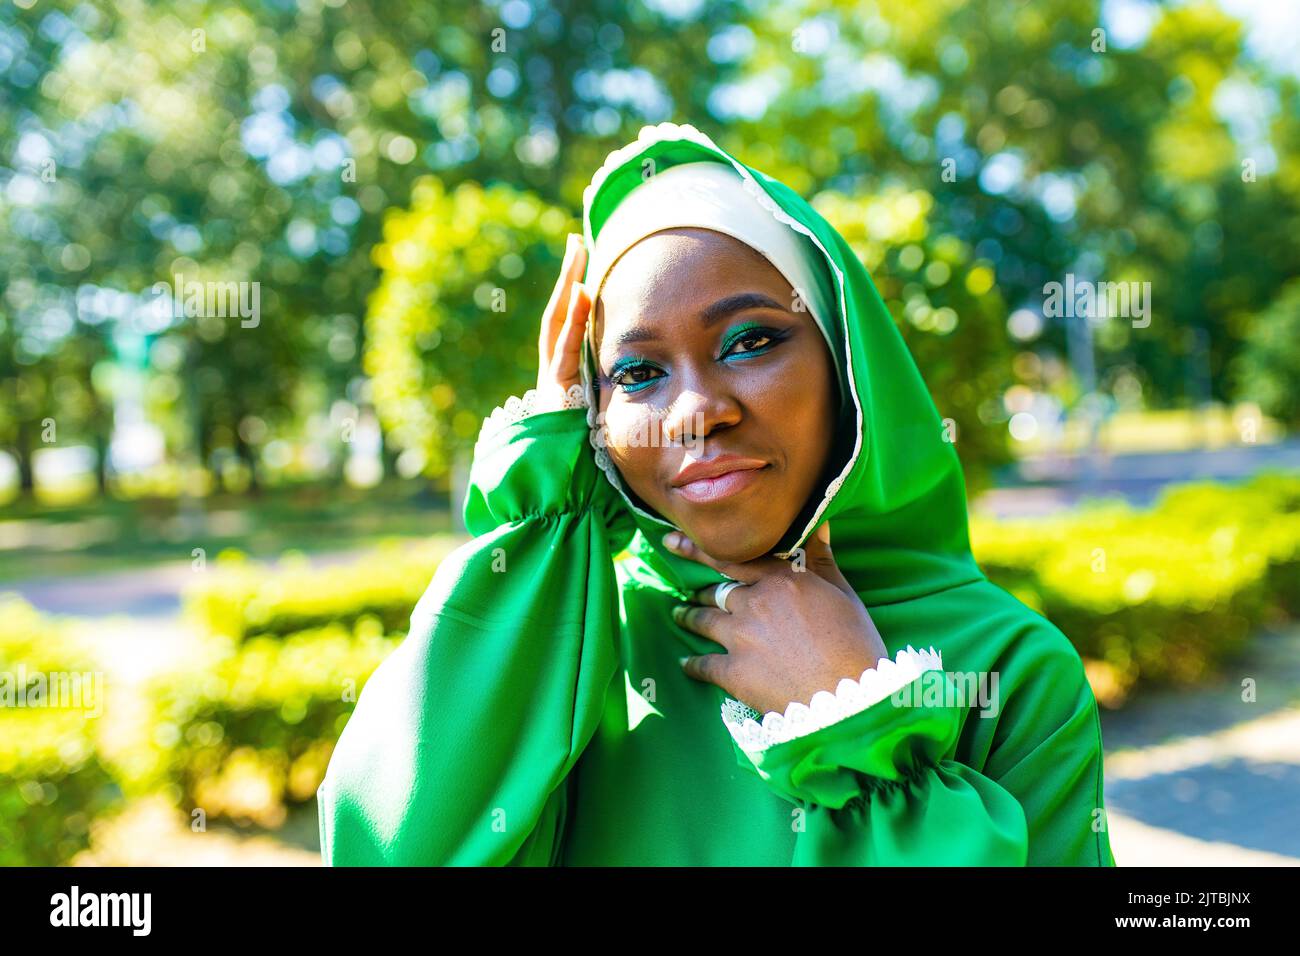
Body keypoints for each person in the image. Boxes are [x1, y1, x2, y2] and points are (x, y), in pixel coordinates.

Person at [316, 122, 1118, 866]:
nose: (695, 412)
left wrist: (859, 731)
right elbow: (391, 845)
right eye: (637, 373)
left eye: (751, 341)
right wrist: (539, 514)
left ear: (847, 364)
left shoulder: (1010, 672)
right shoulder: (577, 634)